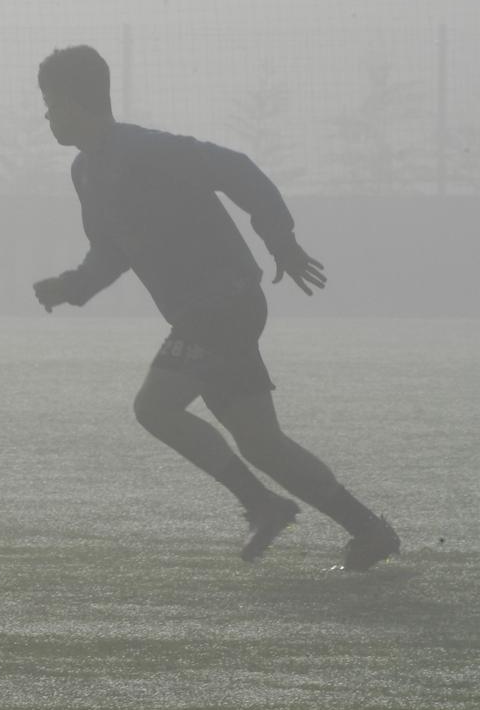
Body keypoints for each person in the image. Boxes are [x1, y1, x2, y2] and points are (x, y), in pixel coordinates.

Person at [31, 44, 398, 570]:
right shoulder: (85, 173)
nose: (46, 115)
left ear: (74, 101)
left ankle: (262, 505)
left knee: (154, 407)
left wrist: (281, 240)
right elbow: (113, 251)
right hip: (207, 312)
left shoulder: (146, 149)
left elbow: (239, 170)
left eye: (50, 103)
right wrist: (72, 286)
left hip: (225, 300)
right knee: (262, 443)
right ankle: (368, 530)